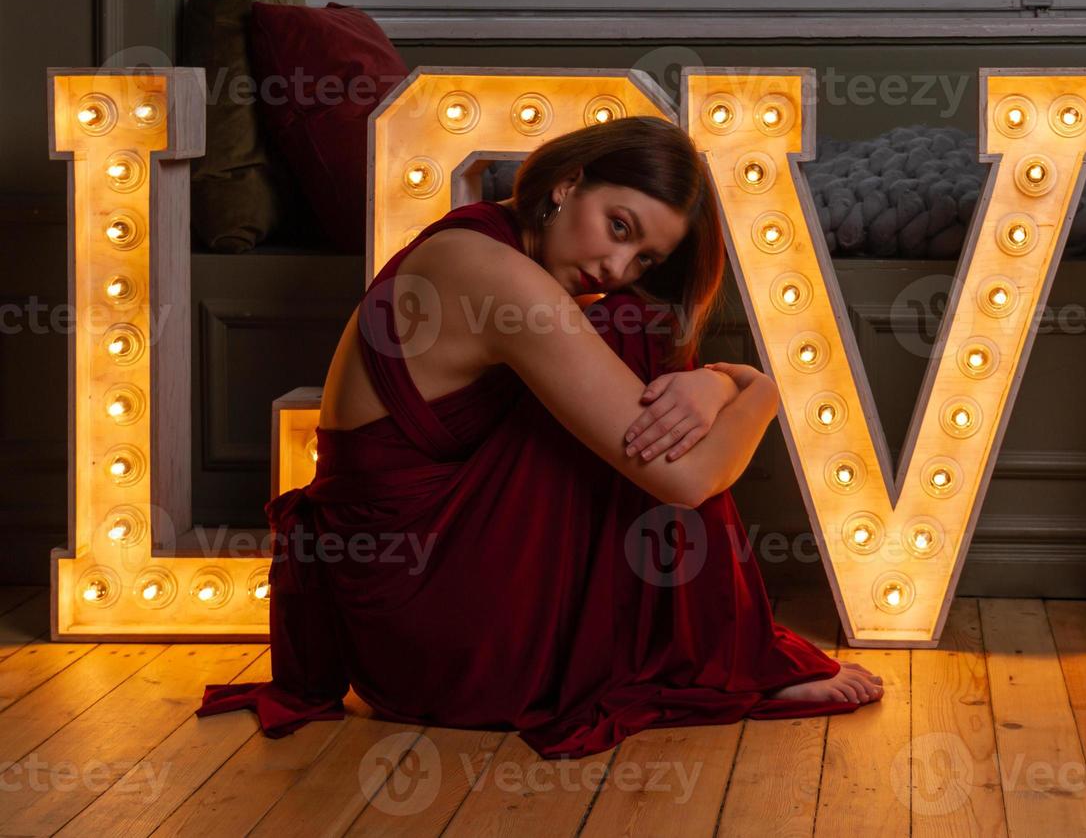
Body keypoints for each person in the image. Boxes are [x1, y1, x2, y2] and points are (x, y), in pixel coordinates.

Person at [195, 116, 883, 758]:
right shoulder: (495, 276)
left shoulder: (482, 238)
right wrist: (758, 390)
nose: (618, 268)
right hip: (429, 632)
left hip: (406, 598)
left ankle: (724, 650)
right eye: (619, 227)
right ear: (567, 182)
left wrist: (713, 383)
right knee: (631, 334)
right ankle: (736, 658)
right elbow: (686, 479)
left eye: (644, 260)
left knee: (626, 327)